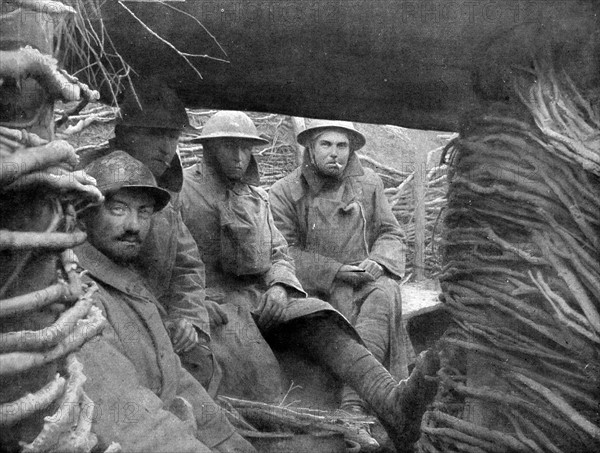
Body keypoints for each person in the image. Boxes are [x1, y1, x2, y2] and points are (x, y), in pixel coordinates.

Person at [179, 110, 439, 451]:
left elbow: (278, 252)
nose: (240, 157)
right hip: (217, 304)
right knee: (257, 373)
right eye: (230, 147)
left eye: (246, 148)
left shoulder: (255, 197)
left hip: (260, 297)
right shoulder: (184, 192)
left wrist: (280, 286)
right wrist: (195, 301)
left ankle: (392, 401)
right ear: (208, 149)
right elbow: (174, 261)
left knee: (321, 317)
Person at [75, 151, 255, 453]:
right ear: (85, 214)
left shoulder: (126, 283)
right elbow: (129, 421)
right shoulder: (78, 296)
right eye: (118, 209)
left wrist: (230, 442)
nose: (134, 225)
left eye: (144, 212)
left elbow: (174, 377)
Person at [79, 78, 225, 392]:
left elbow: (187, 267)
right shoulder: (81, 180)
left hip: (158, 320)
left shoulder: (165, 197)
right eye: (156, 134)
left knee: (201, 367)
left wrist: (188, 319)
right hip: (102, 317)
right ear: (124, 133)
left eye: (173, 136)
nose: (167, 148)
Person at [269, 119, 410, 419]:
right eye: (326, 144)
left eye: (342, 145)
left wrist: (380, 260)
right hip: (313, 289)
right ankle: (369, 400)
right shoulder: (286, 191)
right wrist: (335, 271)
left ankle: (352, 403)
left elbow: (391, 233)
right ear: (310, 147)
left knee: (386, 293)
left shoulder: (368, 183)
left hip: (363, 279)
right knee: (336, 314)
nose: (335, 153)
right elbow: (283, 251)